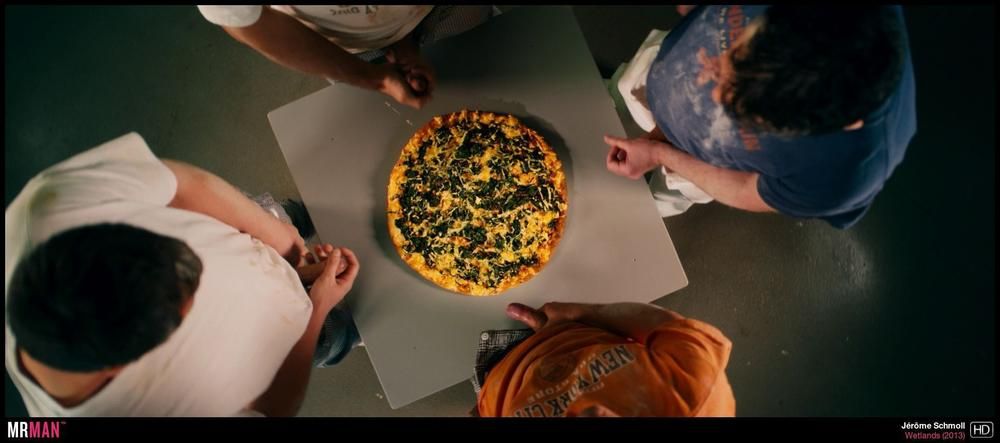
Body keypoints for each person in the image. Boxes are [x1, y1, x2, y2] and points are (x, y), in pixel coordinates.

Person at [4, 132, 359, 416]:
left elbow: (182, 185)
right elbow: (275, 407)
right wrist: (316, 312)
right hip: (294, 338)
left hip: (262, 240)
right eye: (183, 315)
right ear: (123, 367)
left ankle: (294, 218)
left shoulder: (48, 206)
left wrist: (282, 240)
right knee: (340, 335)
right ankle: (339, 336)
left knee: (285, 218)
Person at [606, 5, 916, 228]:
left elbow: (744, 189)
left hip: (701, 164)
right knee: (613, 97)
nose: (714, 95)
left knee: (648, 205)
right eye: (733, 57)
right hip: (664, 67)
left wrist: (660, 153)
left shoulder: (841, 177)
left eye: (746, 113)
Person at [197, 5, 495, 109]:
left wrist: (403, 38)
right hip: (344, 46)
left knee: (490, 58)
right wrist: (374, 79)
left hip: (447, 9)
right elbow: (246, 22)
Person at [475, 302, 735, 417]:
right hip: (568, 328)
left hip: (491, 383)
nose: (591, 411)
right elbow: (663, 324)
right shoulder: (700, 395)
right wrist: (578, 313)